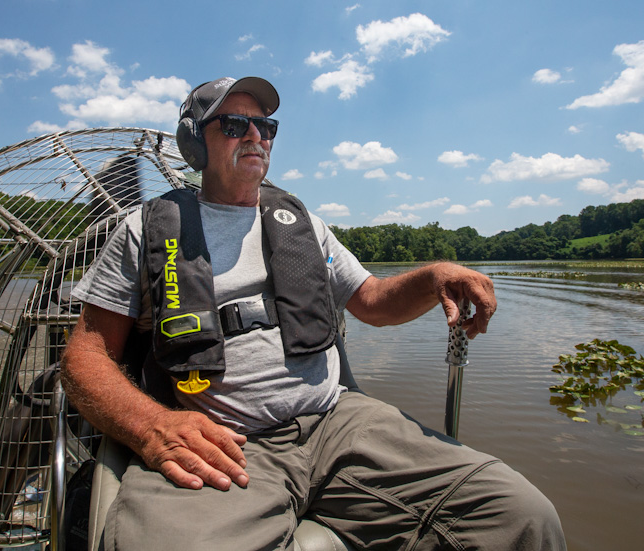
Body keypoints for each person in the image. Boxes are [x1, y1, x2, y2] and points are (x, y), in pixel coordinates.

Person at [61, 76, 566, 551]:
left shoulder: (303, 225)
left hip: (339, 422)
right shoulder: (145, 230)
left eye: (267, 127)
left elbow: (374, 302)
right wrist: (154, 428)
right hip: (227, 441)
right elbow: (85, 359)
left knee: (522, 517)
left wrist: (434, 276)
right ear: (196, 143)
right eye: (235, 125)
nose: (257, 136)